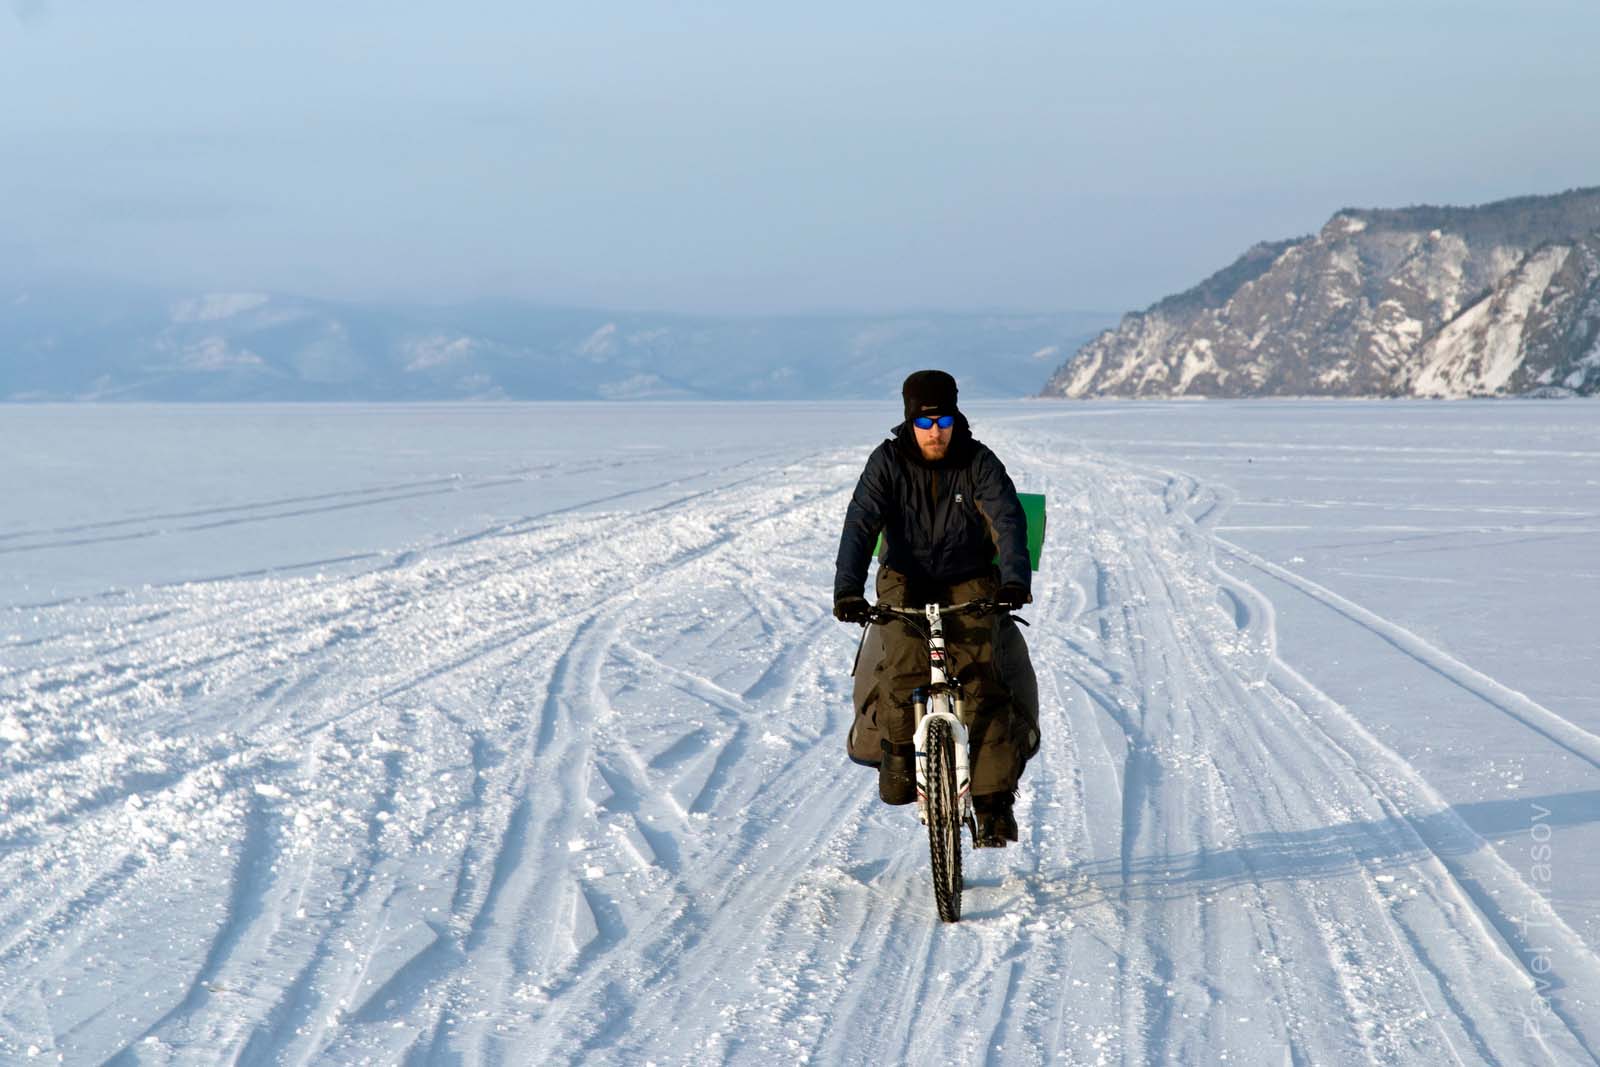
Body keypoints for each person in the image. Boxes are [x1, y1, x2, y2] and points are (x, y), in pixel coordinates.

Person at [833, 369, 1039, 847]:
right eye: (925, 423)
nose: (935, 432)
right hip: (905, 578)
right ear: (909, 421)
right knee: (902, 666)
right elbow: (860, 525)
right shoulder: (886, 463)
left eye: (943, 420)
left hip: (968, 577)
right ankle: (900, 758)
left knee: (982, 681)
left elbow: (1007, 522)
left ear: (956, 416)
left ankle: (992, 803)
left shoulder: (979, 462)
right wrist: (847, 590)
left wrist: (1013, 581)